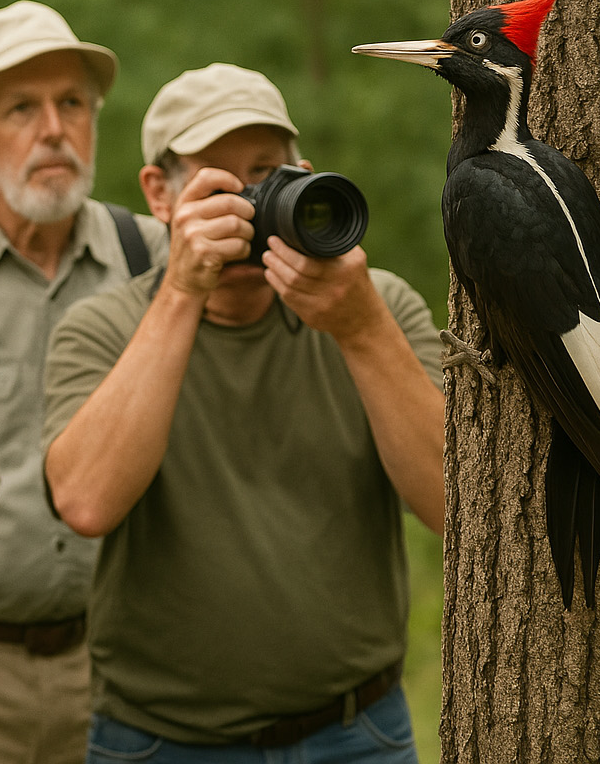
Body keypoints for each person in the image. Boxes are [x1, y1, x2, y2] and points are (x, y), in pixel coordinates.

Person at [42, 63, 445, 763]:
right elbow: (85, 502)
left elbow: (456, 506)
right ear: (158, 194)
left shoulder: (376, 306)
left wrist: (360, 330)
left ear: (305, 179)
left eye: (266, 176)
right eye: (218, 184)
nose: (249, 207)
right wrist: (181, 293)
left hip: (358, 731)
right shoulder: (103, 328)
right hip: (162, 741)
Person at [0, 0, 167, 764]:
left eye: (72, 104)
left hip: (129, 668)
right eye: (22, 108)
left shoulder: (157, 260)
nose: (54, 129)